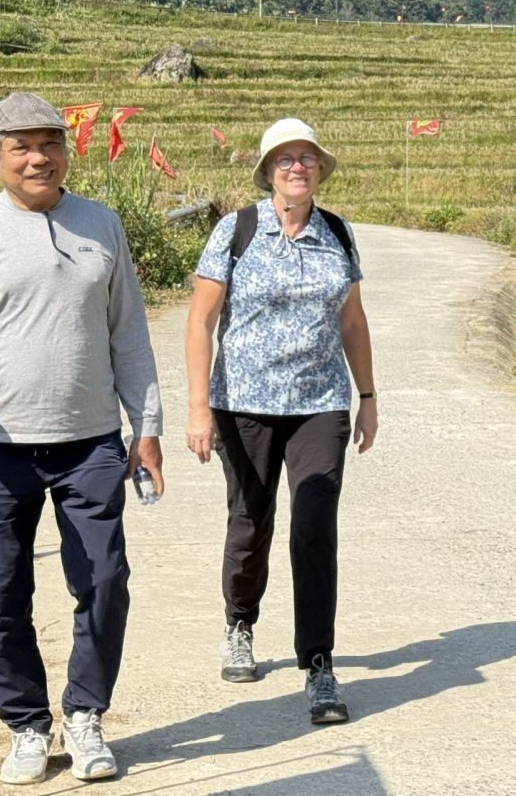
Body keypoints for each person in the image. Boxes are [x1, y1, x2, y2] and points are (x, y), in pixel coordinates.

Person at [0, 91, 164, 784]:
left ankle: (85, 715)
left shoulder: (101, 225)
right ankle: (27, 725)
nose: (38, 157)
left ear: (67, 149)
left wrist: (146, 429)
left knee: (106, 580)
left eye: (49, 143)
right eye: (20, 146)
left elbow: (130, 337)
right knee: (2, 595)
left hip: (91, 444)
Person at [183, 117, 376, 726]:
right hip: (242, 403)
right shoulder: (236, 230)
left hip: (319, 401)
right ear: (269, 171)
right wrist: (196, 406)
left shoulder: (336, 234)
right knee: (251, 519)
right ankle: (240, 622)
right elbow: (200, 321)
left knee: (315, 524)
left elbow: (352, 322)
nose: (298, 166)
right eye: (286, 159)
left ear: (320, 169)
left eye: (308, 158)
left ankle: (318, 663)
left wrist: (367, 396)